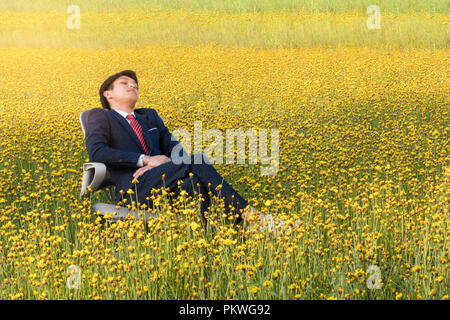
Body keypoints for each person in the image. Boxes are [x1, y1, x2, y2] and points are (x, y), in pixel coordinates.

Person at [84, 70, 266, 229]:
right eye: (125, 83)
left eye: (135, 84)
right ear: (108, 94)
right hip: (134, 189)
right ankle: (252, 217)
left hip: (162, 182)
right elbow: (97, 152)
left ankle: (204, 238)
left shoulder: (149, 116)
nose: (132, 85)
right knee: (197, 160)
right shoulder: (100, 116)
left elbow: (176, 150)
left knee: (193, 183)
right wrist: (145, 160)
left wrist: (156, 166)